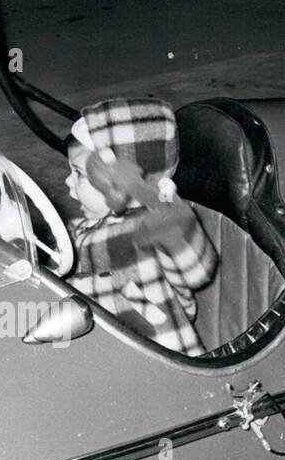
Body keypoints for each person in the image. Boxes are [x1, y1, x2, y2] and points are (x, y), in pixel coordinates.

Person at [64, 98, 217, 356]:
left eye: (79, 173)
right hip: (107, 348)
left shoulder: (151, 227)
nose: (68, 182)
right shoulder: (97, 220)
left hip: (162, 363)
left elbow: (196, 269)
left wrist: (149, 195)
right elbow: (75, 238)